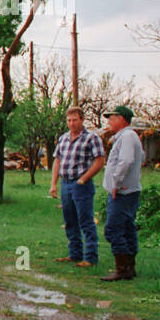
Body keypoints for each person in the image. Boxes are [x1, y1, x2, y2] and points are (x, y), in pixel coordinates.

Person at [49, 106, 105, 268]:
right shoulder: (63, 138)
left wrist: (84, 178)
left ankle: (90, 257)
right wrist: (53, 183)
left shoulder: (91, 138)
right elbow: (57, 160)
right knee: (70, 220)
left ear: (82, 120)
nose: (71, 123)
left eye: (75, 120)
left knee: (86, 221)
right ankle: (74, 254)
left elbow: (100, 161)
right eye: (69, 120)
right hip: (66, 184)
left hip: (82, 185)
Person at [100, 104, 146, 282]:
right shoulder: (130, 136)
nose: (109, 121)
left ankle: (122, 268)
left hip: (122, 193)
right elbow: (141, 157)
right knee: (127, 228)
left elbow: (126, 161)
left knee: (113, 229)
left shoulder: (127, 136)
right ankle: (130, 267)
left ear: (121, 119)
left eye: (111, 118)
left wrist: (116, 183)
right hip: (130, 191)